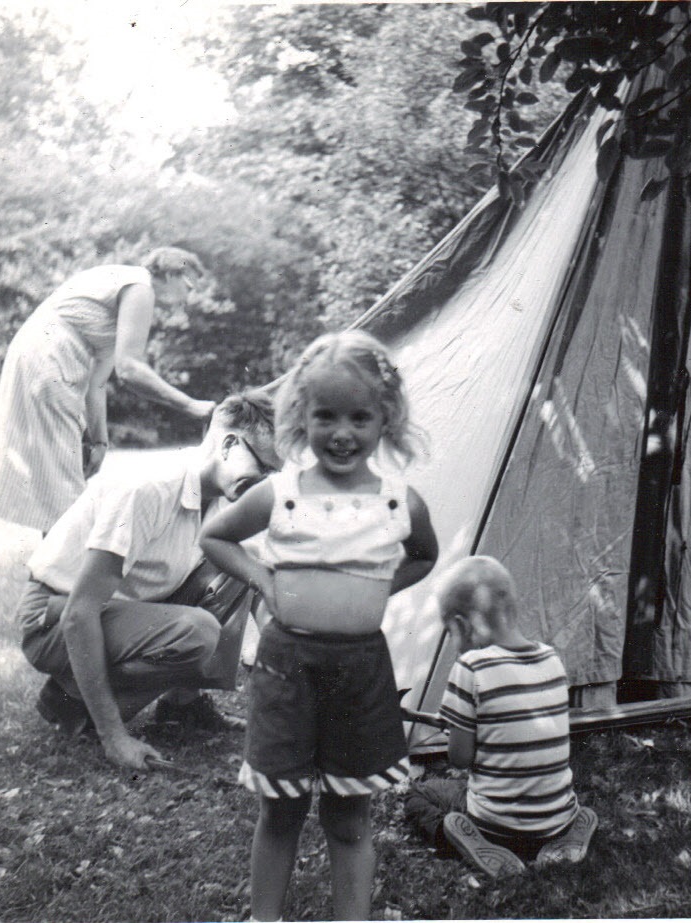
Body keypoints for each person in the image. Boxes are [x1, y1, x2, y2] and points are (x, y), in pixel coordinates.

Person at [200, 330, 439, 922]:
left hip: (359, 672)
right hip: (288, 669)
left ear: (386, 418)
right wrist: (262, 578)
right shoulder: (280, 494)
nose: (342, 432)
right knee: (280, 809)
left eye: (360, 417)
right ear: (301, 416)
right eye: (325, 415)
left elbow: (424, 556)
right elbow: (216, 536)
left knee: (349, 815)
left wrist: (377, 588)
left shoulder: (400, 502)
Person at [17, 392, 279, 771]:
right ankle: (74, 704)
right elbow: (79, 612)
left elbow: (258, 583)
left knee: (241, 566)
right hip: (53, 616)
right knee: (197, 632)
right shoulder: (150, 488)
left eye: (274, 475)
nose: (266, 485)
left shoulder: (224, 494)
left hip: (113, 608)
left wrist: (288, 662)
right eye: (264, 468)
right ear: (228, 445)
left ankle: (183, 705)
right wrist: (115, 738)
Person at [0, 246, 217, 533]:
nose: (188, 298)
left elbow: (97, 383)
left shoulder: (125, 300)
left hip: (44, 357)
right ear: (170, 274)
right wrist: (191, 405)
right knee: (63, 481)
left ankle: (60, 554)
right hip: (48, 358)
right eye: (189, 286)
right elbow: (129, 369)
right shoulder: (140, 286)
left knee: (63, 475)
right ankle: (66, 557)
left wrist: (100, 441)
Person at [405, 556, 598, 877]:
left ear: (463, 626)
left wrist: (461, 733)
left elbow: (459, 759)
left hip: (496, 827)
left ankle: (468, 839)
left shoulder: (470, 667)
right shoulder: (552, 659)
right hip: (556, 820)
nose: (452, 643)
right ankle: (570, 833)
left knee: (420, 794)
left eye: (449, 633)